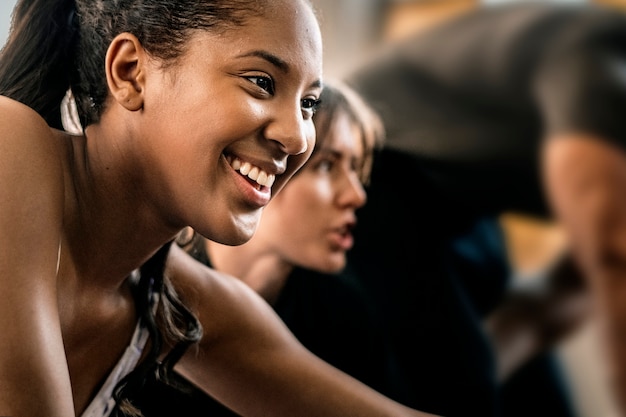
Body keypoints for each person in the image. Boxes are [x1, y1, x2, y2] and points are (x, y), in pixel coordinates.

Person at [0, 1, 441, 416]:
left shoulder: (170, 303)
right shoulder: (8, 138)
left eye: (307, 104)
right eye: (261, 82)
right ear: (130, 72)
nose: (299, 138)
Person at [334, 1, 626, 416]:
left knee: (528, 397)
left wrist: (494, 362)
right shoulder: (601, 62)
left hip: (465, 207)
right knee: (461, 393)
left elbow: (577, 284)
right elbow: (612, 257)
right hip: (380, 173)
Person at [177, 80, 410, 414]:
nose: (356, 196)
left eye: (357, 171)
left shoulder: (345, 313)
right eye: (328, 166)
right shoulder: (161, 292)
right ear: (268, 167)